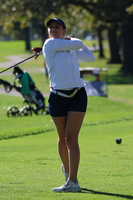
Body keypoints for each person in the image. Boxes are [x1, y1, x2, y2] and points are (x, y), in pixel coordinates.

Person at [33, 18, 95, 192]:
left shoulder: (70, 48)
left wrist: (73, 42)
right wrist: (72, 41)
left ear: (63, 30)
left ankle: (73, 182)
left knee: (71, 138)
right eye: (50, 27)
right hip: (57, 96)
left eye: (57, 27)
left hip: (77, 95)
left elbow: (90, 57)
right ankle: (68, 171)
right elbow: (79, 43)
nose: (53, 29)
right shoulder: (49, 45)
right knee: (62, 137)